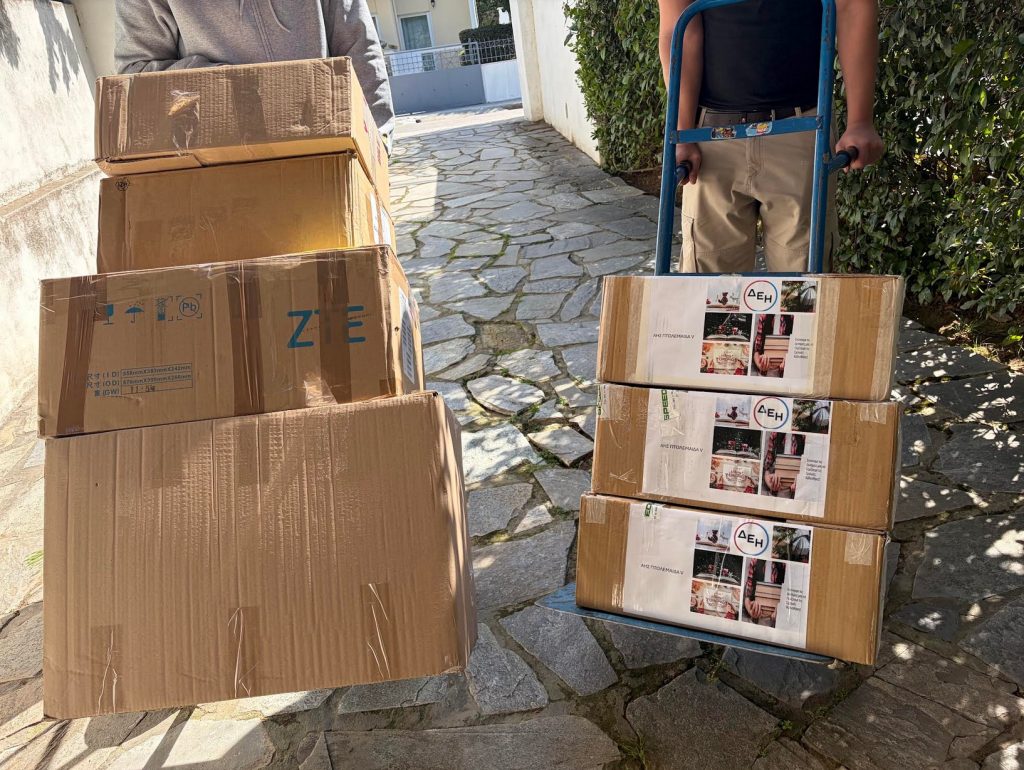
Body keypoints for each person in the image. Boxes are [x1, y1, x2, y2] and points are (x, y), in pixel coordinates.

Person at [657, 0, 884, 273]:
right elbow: (678, 28)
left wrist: (860, 121)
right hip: (711, 137)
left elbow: (852, 7)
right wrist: (683, 132)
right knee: (708, 286)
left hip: (802, 128)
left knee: (803, 285)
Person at [115, 0, 395, 143]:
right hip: (224, 173)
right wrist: (233, 86)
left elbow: (358, 45)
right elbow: (137, 74)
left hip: (330, 152)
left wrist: (378, 140)